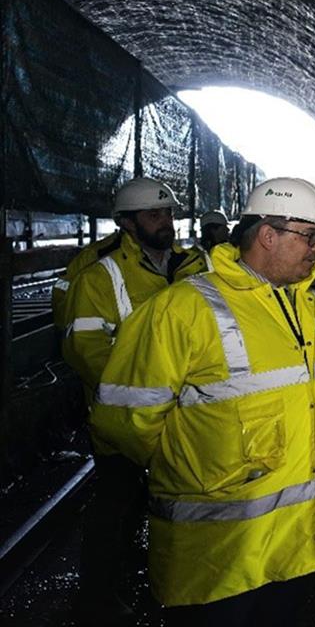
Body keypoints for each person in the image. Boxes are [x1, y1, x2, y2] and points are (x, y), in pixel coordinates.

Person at [89, 177, 315, 625]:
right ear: (268, 235)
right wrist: (198, 466)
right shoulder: (183, 309)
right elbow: (125, 422)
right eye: (311, 236)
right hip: (217, 560)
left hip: (298, 547)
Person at [61, 177, 210, 624]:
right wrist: (149, 400)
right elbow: (87, 351)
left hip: (190, 419)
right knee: (117, 508)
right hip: (125, 424)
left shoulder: (196, 264)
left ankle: (174, 587)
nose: (165, 222)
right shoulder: (99, 275)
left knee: (184, 508)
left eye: (167, 213)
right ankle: (99, 597)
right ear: (126, 223)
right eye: (153, 215)